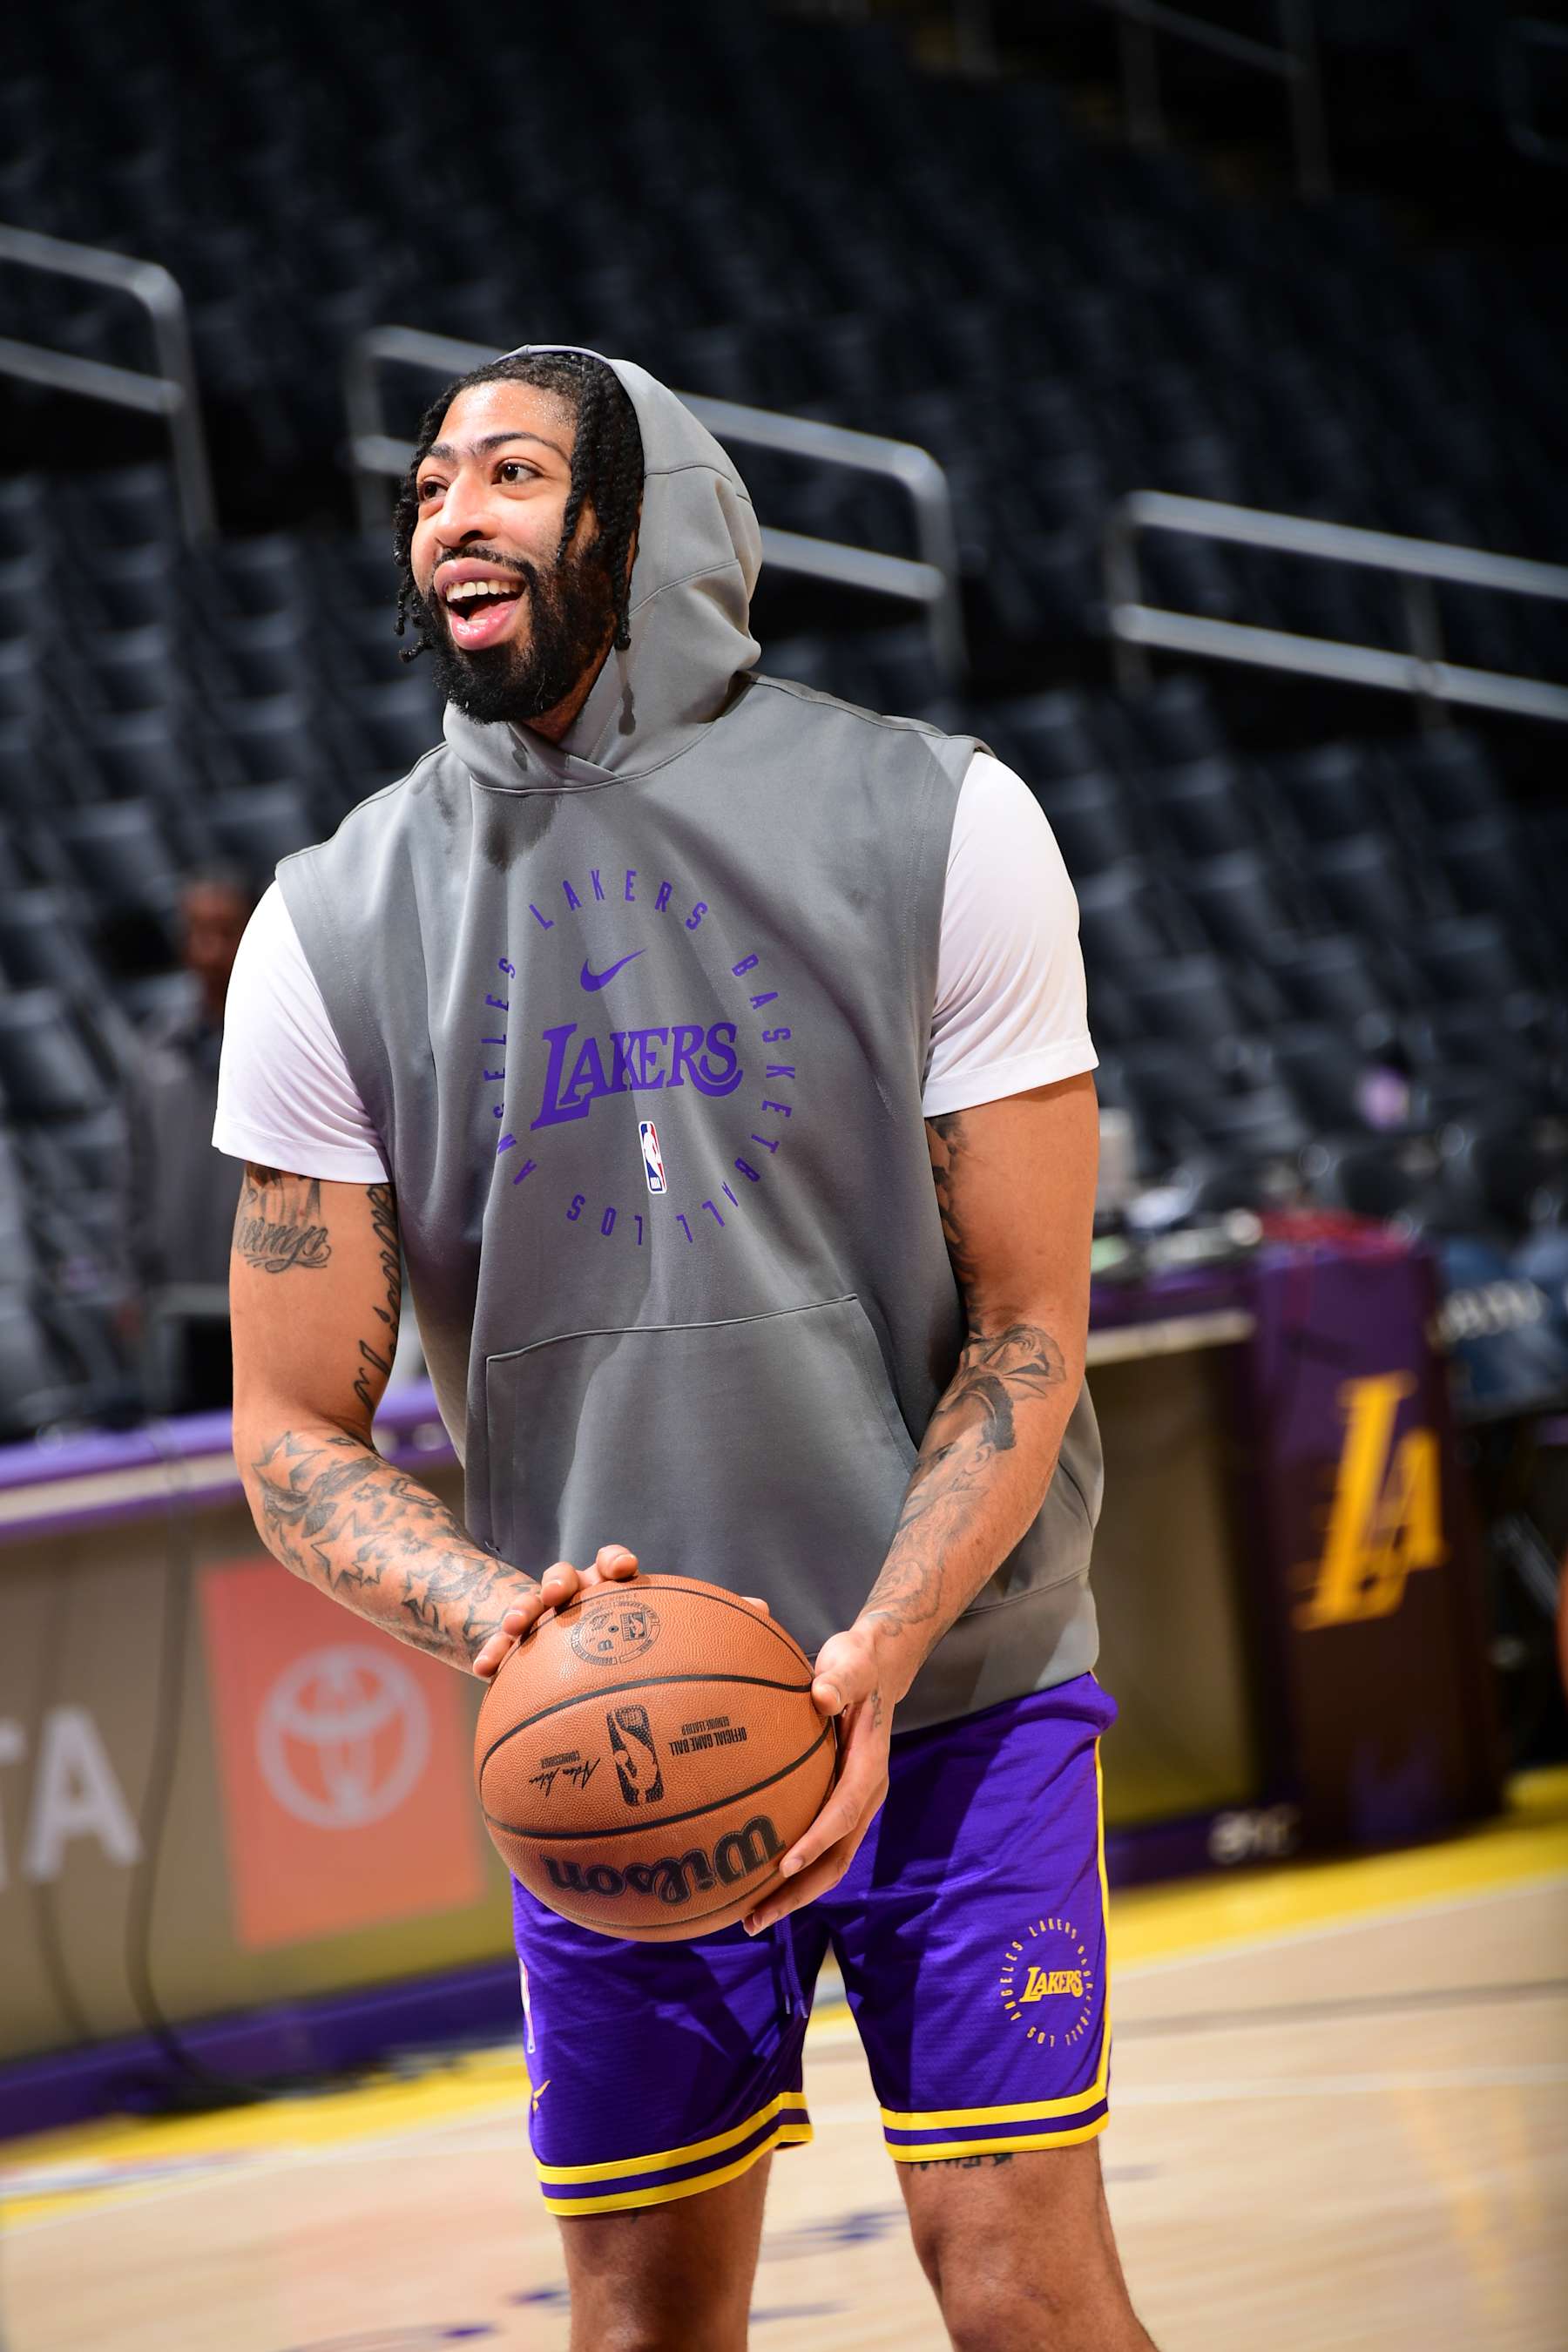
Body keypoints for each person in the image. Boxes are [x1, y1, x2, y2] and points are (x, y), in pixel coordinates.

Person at [218, 346, 1156, 2352]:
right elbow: (292, 1429)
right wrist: (513, 1622)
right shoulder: (332, 920)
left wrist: (886, 1647)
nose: (451, 510)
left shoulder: (941, 823)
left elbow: (1031, 1323)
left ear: (645, 529)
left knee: (1019, 2292)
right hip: (629, 1739)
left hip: (961, 1692)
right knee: (644, 2319)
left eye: (516, 471)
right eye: (428, 482)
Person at [125, 865, 254, 1411]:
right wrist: (129, 1281)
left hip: (267, 1293)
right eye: (198, 932)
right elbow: (134, 1174)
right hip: (182, 1302)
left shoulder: (289, 1038)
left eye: (225, 932)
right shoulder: (155, 1053)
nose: (211, 949)